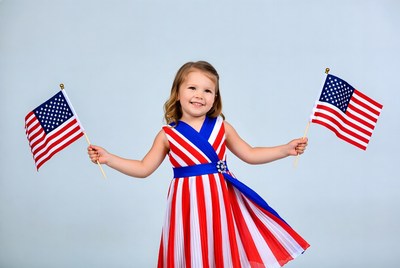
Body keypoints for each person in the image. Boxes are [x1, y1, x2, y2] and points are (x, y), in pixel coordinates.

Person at [88, 61, 310, 267]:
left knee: (218, 248)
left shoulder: (222, 127)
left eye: (207, 90)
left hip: (219, 201)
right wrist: (109, 158)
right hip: (185, 204)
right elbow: (144, 168)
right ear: (177, 94)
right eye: (192, 88)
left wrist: (285, 149)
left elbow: (250, 154)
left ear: (215, 97)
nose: (199, 95)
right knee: (189, 249)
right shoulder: (168, 134)